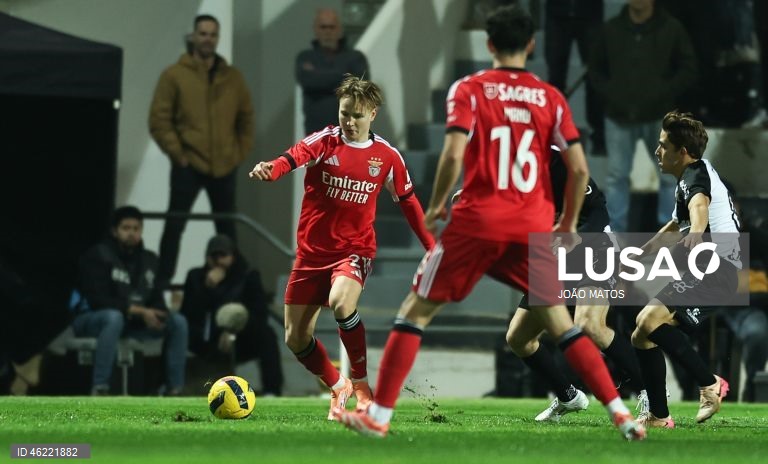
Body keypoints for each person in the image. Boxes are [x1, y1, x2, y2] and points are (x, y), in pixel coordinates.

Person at [333, 5, 645, 441]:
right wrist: (568, 222)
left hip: (479, 222)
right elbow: (578, 170)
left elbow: (453, 152)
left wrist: (439, 203)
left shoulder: (470, 89)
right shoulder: (550, 98)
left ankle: (379, 417)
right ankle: (621, 414)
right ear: (531, 45)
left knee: (415, 310)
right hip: (530, 226)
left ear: (489, 44)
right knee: (561, 323)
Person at [249, 75, 434, 420]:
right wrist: (270, 169)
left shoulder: (387, 157)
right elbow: (293, 156)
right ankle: (339, 385)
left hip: (354, 250)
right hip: (310, 254)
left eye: (357, 116)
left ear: (373, 115)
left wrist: (431, 247)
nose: (349, 122)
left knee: (340, 302)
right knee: (295, 338)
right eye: (344, 113)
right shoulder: (326, 141)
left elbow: (408, 202)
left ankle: (362, 388)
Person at [493, 150, 645, 422]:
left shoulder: (558, 160)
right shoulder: (505, 161)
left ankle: (650, 390)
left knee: (589, 324)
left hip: (593, 248)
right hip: (555, 256)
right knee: (517, 338)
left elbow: (598, 211)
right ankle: (569, 396)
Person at [631, 111, 741, 427]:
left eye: (663, 145)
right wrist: (645, 250)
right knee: (641, 336)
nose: (657, 151)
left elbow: (699, 206)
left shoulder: (695, 175)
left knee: (648, 319)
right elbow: (674, 223)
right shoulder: (688, 179)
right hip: (709, 267)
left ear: (682, 152)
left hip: (718, 269)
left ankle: (710, 384)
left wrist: (695, 230)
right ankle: (659, 416)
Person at [149, 14, 255, 286]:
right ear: (194, 37)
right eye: (203, 33)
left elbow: (246, 119)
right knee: (174, 228)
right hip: (188, 165)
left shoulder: (234, 78)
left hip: (224, 166)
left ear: (217, 39)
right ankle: (160, 288)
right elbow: (159, 120)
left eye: (212, 34)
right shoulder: (174, 75)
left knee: (228, 230)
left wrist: (237, 155)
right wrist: (178, 154)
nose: (208, 39)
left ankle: (235, 288)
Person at [589, 0, 697, 232]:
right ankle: (614, 236)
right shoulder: (611, 29)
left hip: (659, 115)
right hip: (618, 114)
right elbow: (595, 69)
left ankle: (669, 233)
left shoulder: (671, 28)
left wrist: (664, 92)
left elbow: (688, 67)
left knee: (670, 176)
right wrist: (611, 93)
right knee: (617, 177)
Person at [73, 206, 188, 395]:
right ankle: (100, 387)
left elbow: (156, 299)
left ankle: (174, 388)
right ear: (114, 231)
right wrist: (140, 311)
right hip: (92, 320)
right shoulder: (98, 255)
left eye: (136, 228)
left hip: (132, 324)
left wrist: (158, 316)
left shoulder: (150, 260)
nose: (131, 233)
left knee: (177, 321)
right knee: (113, 318)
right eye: (126, 228)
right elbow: (97, 300)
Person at [180, 234, 283, 396]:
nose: (219, 261)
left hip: (241, 337)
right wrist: (207, 287)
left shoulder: (248, 276)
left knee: (267, 335)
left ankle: (272, 390)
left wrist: (233, 329)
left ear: (233, 256)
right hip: (206, 339)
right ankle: (170, 387)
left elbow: (259, 314)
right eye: (213, 256)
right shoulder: (196, 277)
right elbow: (189, 313)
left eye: (223, 256)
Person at [544, 0, 605, 154]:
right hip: (557, 13)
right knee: (555, 79)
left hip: (589, 13)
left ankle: (599, 137)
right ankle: (552, 132)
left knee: (595, 77)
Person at [296, 8, 369, 135]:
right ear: (316, 29)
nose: (328, 31)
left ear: (339, 29)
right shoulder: (305, 57)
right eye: (323, 27)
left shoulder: (356, 57)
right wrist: (343, 75)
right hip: (316, 134)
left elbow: (359, 86)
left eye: (332, 27)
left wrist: (319, 75)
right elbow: (308, 81)